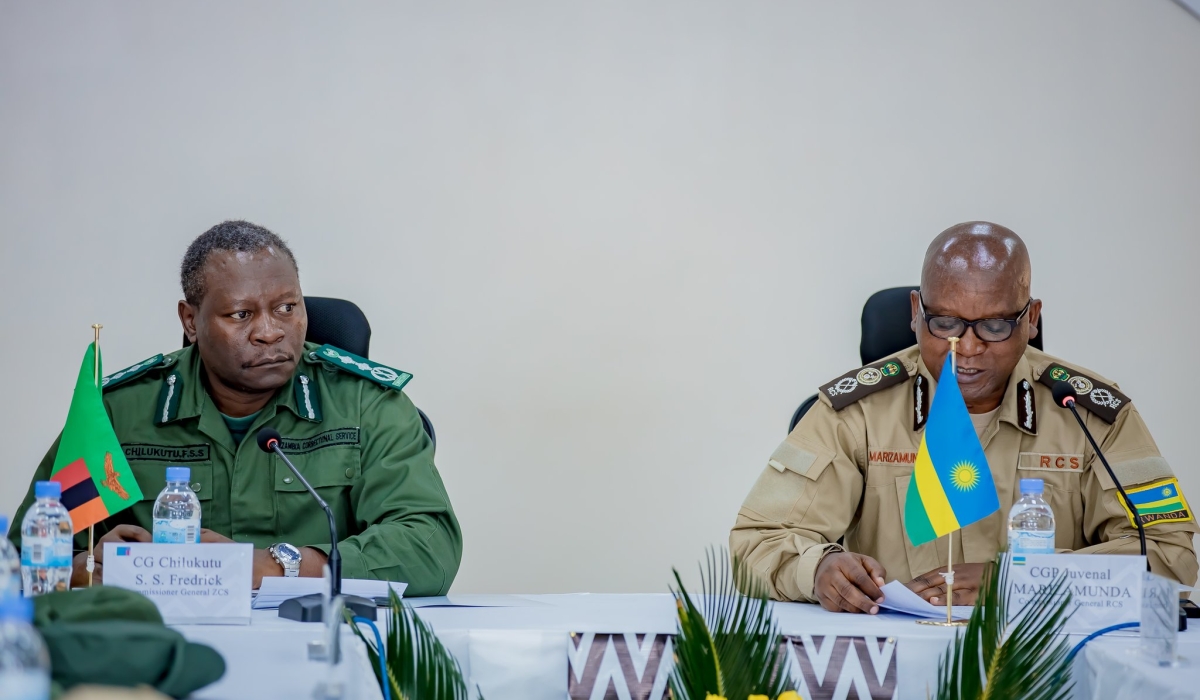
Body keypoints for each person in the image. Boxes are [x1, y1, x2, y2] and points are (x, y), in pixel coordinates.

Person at [729, 222, 1198, 613]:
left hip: (1043, 658)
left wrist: (1021, 583)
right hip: (893, 655)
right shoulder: (858, 412)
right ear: (916, 313)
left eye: (995, 326)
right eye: (946, 324)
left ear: (1031, 319)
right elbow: (756, 542)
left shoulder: (1087, 412)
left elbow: (1168, 554)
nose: (967, 348)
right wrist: (818, 572)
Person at [8, 221, 462, 596]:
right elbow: (23, 556)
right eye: (241, 315)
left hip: (318, 639)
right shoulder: (117, 412)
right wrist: (88, 567)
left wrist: (279, 567)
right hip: (161, 646)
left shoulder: (368, 405)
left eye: (287, 307)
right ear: (190, 321)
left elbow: (429, 543)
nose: (270, 331)